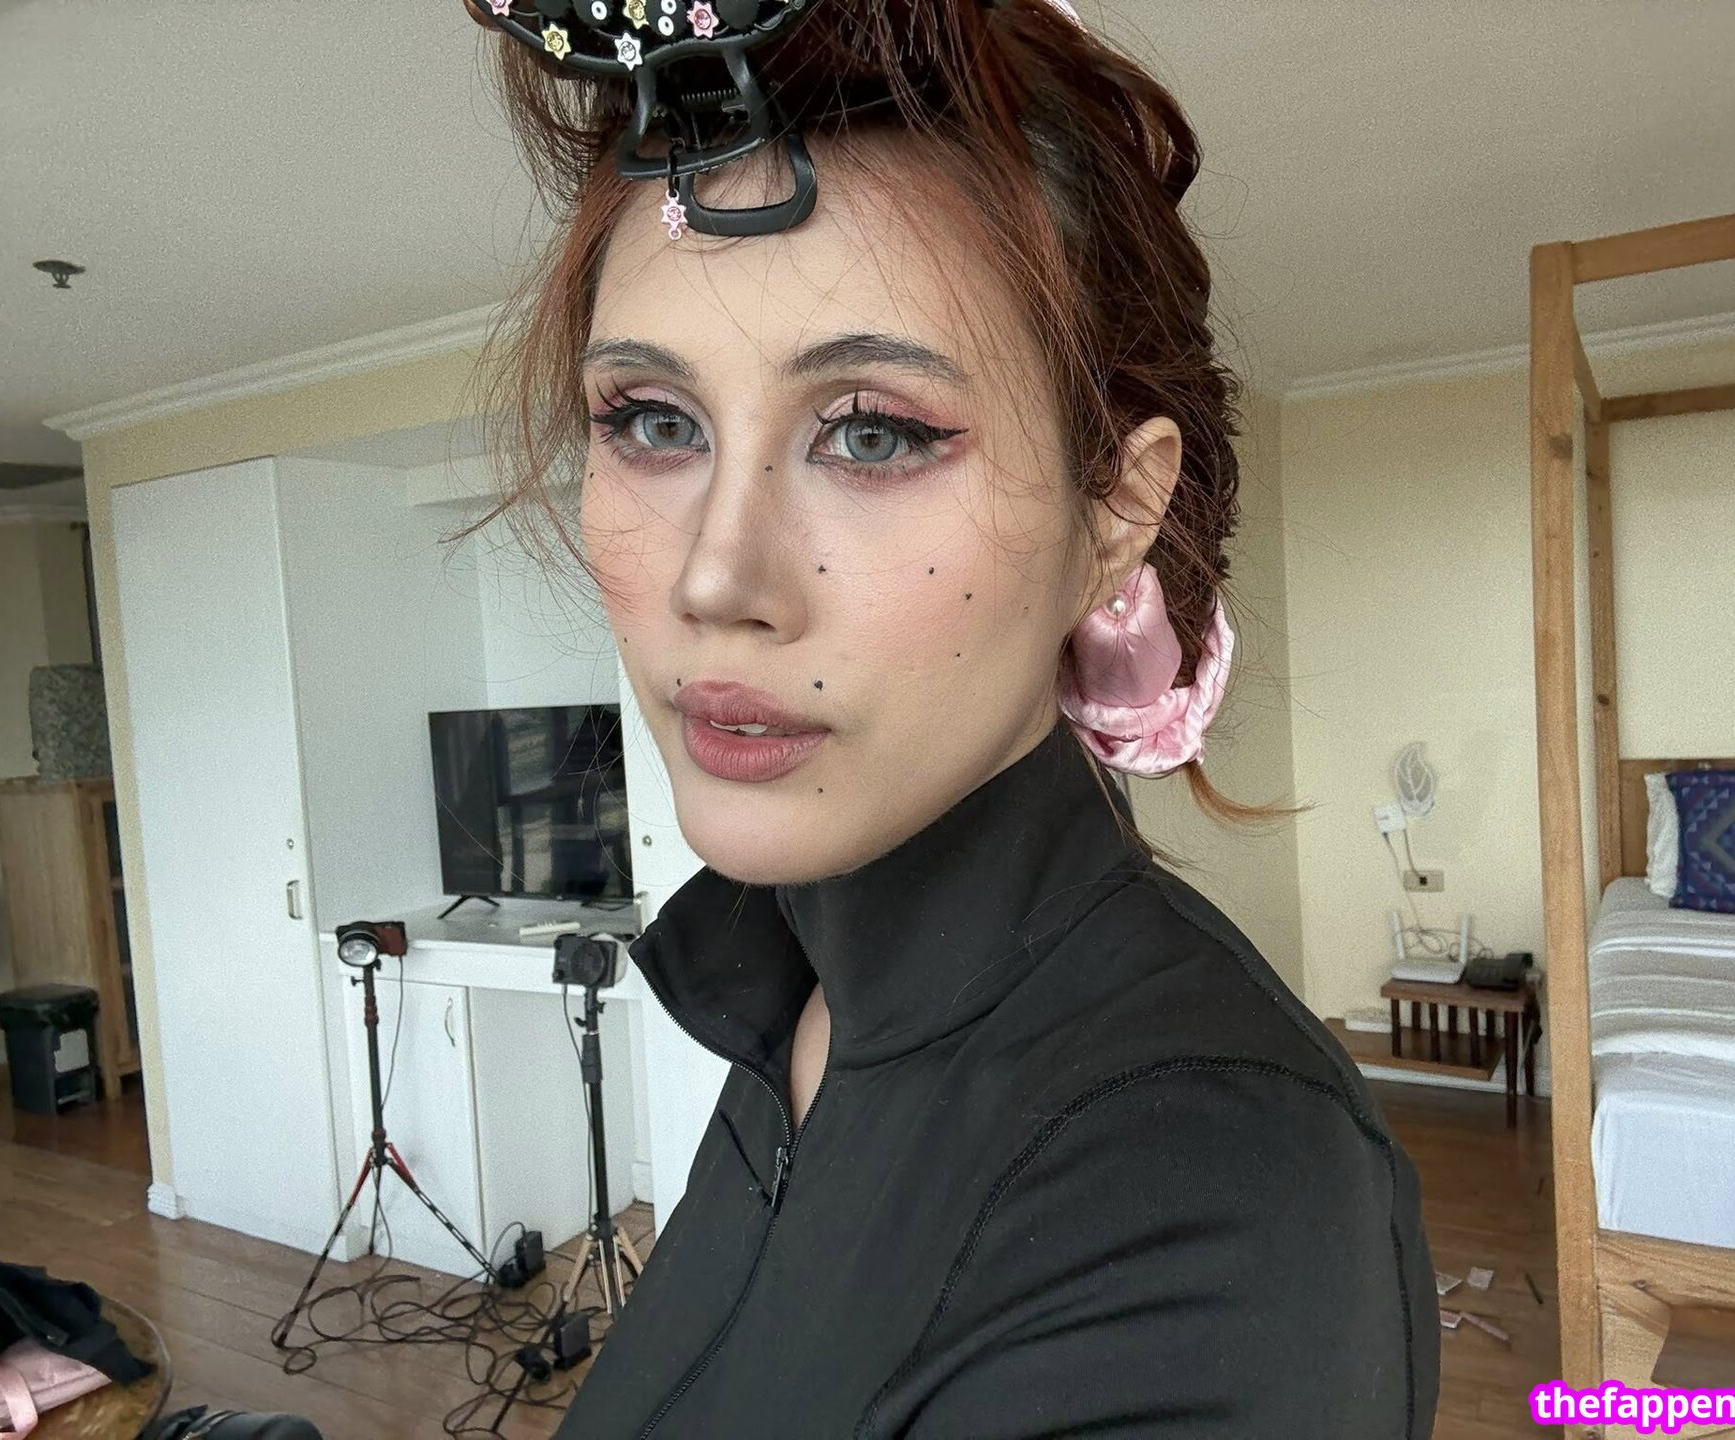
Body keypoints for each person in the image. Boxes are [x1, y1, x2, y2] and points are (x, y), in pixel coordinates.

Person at [464, 1, 1439, 1434]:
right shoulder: (792, 999)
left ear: (1116, 513)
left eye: (871, 432)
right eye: (654, 422)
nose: (713, 580)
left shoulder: (1215, 1197)